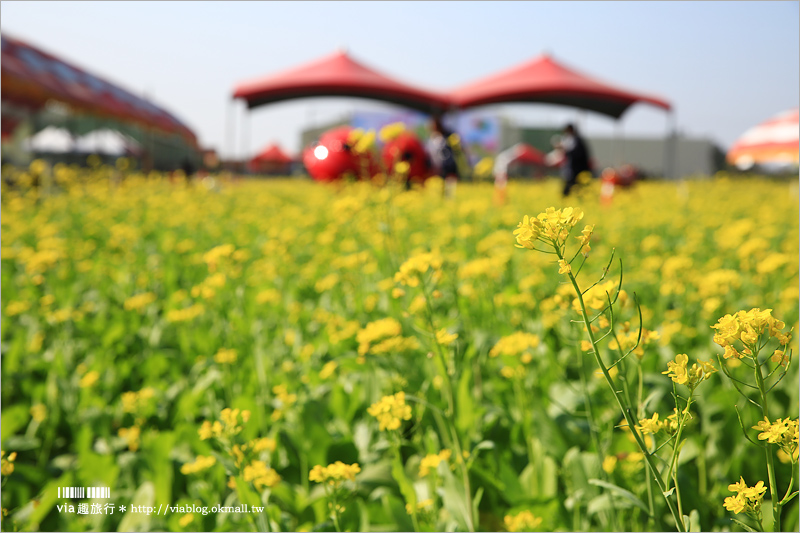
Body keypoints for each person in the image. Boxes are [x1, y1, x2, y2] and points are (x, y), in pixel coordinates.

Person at [426, 114, 461, 197]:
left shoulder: (447, 136)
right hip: (436, 167)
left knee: (449, 191)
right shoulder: (431, 138)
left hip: (448, 167)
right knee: (438, 190)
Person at [559, 123, 592, 197]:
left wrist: (566, 151)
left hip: (578, 171)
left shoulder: (576, 140)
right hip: (574, 171)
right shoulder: (573, 139)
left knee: (576, 188)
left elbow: (577, 154)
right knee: (575, 189)